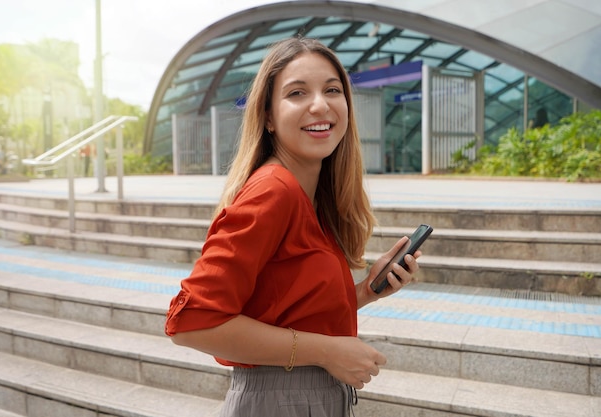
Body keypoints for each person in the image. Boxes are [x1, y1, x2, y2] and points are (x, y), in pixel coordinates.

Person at [165, 37, 422, 417]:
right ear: (268, 116)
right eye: (297, 93)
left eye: (332, 90)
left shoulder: (309, 197)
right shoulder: (273, 191)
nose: (320, 104)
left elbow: (286, 308)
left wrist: (366, 290)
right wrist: (328, 350)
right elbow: (190, 322)